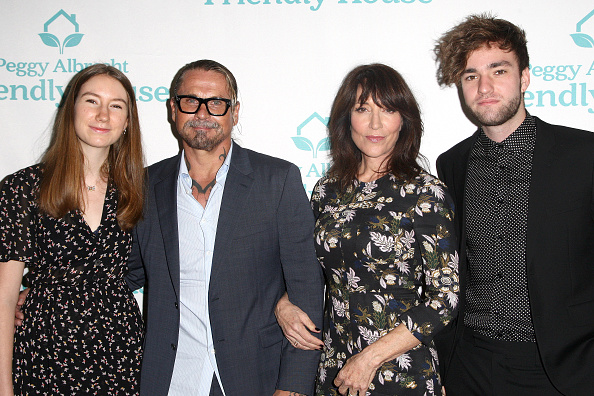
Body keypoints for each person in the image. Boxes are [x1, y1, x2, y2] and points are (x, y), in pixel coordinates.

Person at [124, 59, 324, 395]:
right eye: (191, 101)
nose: (203, 113)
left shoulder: (277, 180)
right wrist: (43, 296)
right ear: (173, 109)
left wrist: (294, 385)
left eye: (216, 103)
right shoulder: (145, 186)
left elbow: (305, 283)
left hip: (256, 376)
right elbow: (121, 272)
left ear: (234, 112)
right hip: (172, 377)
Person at [433, 14, 594, 396]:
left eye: (498, 70)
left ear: (523, 77)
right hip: (469, 365)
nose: (484, 87)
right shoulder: (451, 164)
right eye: (471, 76)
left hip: (562, 368)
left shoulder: (584, 155)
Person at [276, 63, 459, 396]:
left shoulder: (424, 192)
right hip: (333, 370)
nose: (375, 124)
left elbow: (444, 298)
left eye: (388, 110)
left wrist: (368, 359)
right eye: (363, 109)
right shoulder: (326, 190)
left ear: (404, 120)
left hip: (399, 371)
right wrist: (284, 304)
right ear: (348, 119)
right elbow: (312, 273)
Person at [0, 64, 145, 395]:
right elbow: (5, 298)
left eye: (116, 106)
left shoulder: (137, 190)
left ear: (127, 123)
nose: (103, 115)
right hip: (45, 351)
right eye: (92, 101)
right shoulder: (24, 187)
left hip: (120, 353)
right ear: (71, 109)